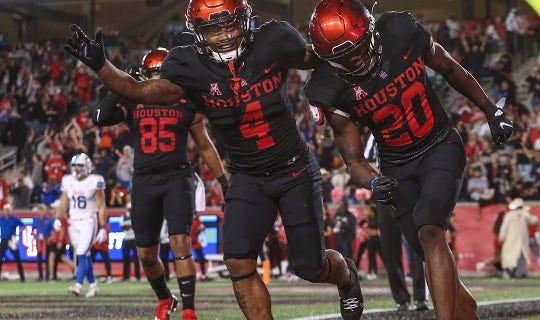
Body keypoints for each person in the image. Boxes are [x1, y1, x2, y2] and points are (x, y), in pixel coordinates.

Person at [64, 1, 364, 319]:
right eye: (212, 28)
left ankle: (346, 275)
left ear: (245, 20)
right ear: (197, 32)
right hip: (248, 175)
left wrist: (343, 50)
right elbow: (141, 91)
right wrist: (101, 66)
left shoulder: (273, 38)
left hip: (294, 169)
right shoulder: (188, 64)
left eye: (229, 24)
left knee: (310, 267)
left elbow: (319, 56)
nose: (224, 35)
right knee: (237, 259)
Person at [304, 1, 515, 318]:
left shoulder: (400, 31)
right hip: (396, 165)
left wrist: (490, 109)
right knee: (432, 257)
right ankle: (465, 311)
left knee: (430, 230)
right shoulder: (327, 87)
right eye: (344, 57)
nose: (356, 59)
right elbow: (354, 161)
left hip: (439, 143)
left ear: (371, 31)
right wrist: (374, 181)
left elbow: (449, 67)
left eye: (359, 49)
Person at [91, 46, 227, 320]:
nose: (154, 78)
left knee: (180, 242)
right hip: (144, 180)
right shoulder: (133, 98)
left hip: (177, 177)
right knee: (146, 254)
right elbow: (100, 118)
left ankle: (189, 310)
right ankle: (166, 298)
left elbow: (204, 144)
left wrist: (224, 181)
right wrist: (119, 87)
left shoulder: (185, 99)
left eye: (158, 73)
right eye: (151, 73)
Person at [56, 153, 107, 297]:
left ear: (87, 167)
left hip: (88, 221)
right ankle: (93, 285)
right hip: (74, 222)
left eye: (80, 165)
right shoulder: (68, 181)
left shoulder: (94, 180)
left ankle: (78, 285)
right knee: (85, 255)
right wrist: (58, 218)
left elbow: (101, 205)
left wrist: (103, 227)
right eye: (75, 166)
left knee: (81, 253)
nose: (77, 169)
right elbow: (64, 201)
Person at [499, 198, 538, 278]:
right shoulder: (525, 214)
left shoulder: (509, 215)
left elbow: (504, 228)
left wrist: (502, 237)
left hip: (511, 239)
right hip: (522, 240)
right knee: (519, 256)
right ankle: (518, 272)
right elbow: (534, 220)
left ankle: (513, 271)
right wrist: (528, 211)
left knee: (509, 255)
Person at [191, 174, 210, 281]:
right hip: (189, 238)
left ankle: (202, 274)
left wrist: (201, 228)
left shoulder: (195, 215)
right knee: (185, 258)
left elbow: (200, 225)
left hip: (194, 238)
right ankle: (188, 275)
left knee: (200, 258)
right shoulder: (188, 214)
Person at [0, 203, 25, 282]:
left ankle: (22, 277)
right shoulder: (1, 219)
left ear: (10, 210)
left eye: (8, 210)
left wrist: (18, 234)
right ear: (3, 211)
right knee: (0, 258)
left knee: (17, 258)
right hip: (4, 239)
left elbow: (23, 226)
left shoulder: (15, 219)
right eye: (5, 210)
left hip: (12, 240)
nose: (7, 211)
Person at [32, 204, 54, 281]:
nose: (41, 212)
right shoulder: (36, 220)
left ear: (45, 211)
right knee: (39, 260)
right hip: (39, 242)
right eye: (40, 210)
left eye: (42, 210)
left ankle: (47, 276)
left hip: (47, 241)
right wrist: (35, 236)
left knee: (48, 259)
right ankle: (40, 276)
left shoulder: (49, 220)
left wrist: (51, 238)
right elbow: (32, 229)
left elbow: (53, 231)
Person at [120, 201, 141, 281]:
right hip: (127, 238)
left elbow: (136, 226)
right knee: (126, 258)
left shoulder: (136, 216)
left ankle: (137, 276)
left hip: (134, 238)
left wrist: (128, 226)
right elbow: (122, 227)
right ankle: (126, 276)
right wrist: (130, 226)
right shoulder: (123, 216)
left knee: (136, 258)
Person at [91, 218, 113, 283]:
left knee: (106, 261)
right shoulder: (98, 221)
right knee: (90, 261)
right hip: (96, 244)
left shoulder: (106, 225)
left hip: (102, 245)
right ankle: (88, 276)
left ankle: (109, 276)